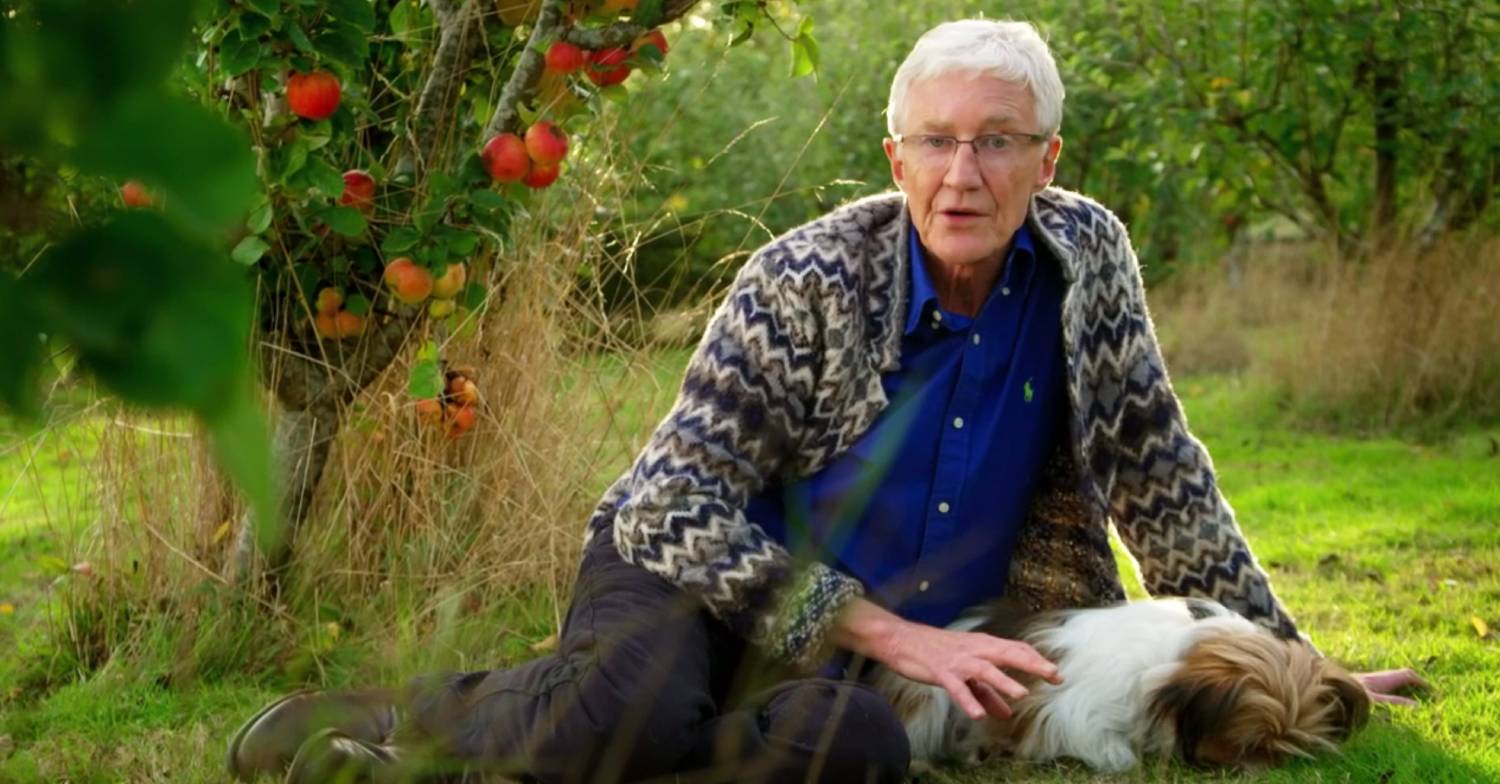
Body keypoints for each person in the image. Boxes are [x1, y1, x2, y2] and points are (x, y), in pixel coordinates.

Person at [228, 18, 1422, 784]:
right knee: (637, 709)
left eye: (1001, 142)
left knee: (853, 754)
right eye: (938, 141)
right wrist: (875, 627)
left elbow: (1162, 475)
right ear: (894, 155)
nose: (967, 173)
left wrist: (1290, 660)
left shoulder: (1086, 261)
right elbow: (677, 503)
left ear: (1048, 160)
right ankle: (386, 721)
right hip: (697, 573)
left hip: (894, 650)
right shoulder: (803, 279)